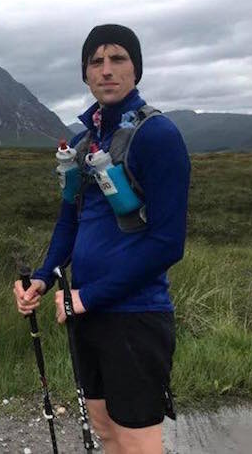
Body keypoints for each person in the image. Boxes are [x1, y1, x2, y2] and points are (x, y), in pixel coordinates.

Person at [13, 24, 190, 454]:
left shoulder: (158, 136)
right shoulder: (83, 143)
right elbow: (69, 222)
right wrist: (43, 279)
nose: (106, 70)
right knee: (105, 429)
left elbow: (168, 244)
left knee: (137, 442)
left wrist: (87, 297)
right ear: (85, 74)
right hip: (86, 315)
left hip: (135, 315)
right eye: (96, 61)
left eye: (118, 59)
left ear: (136, 70)